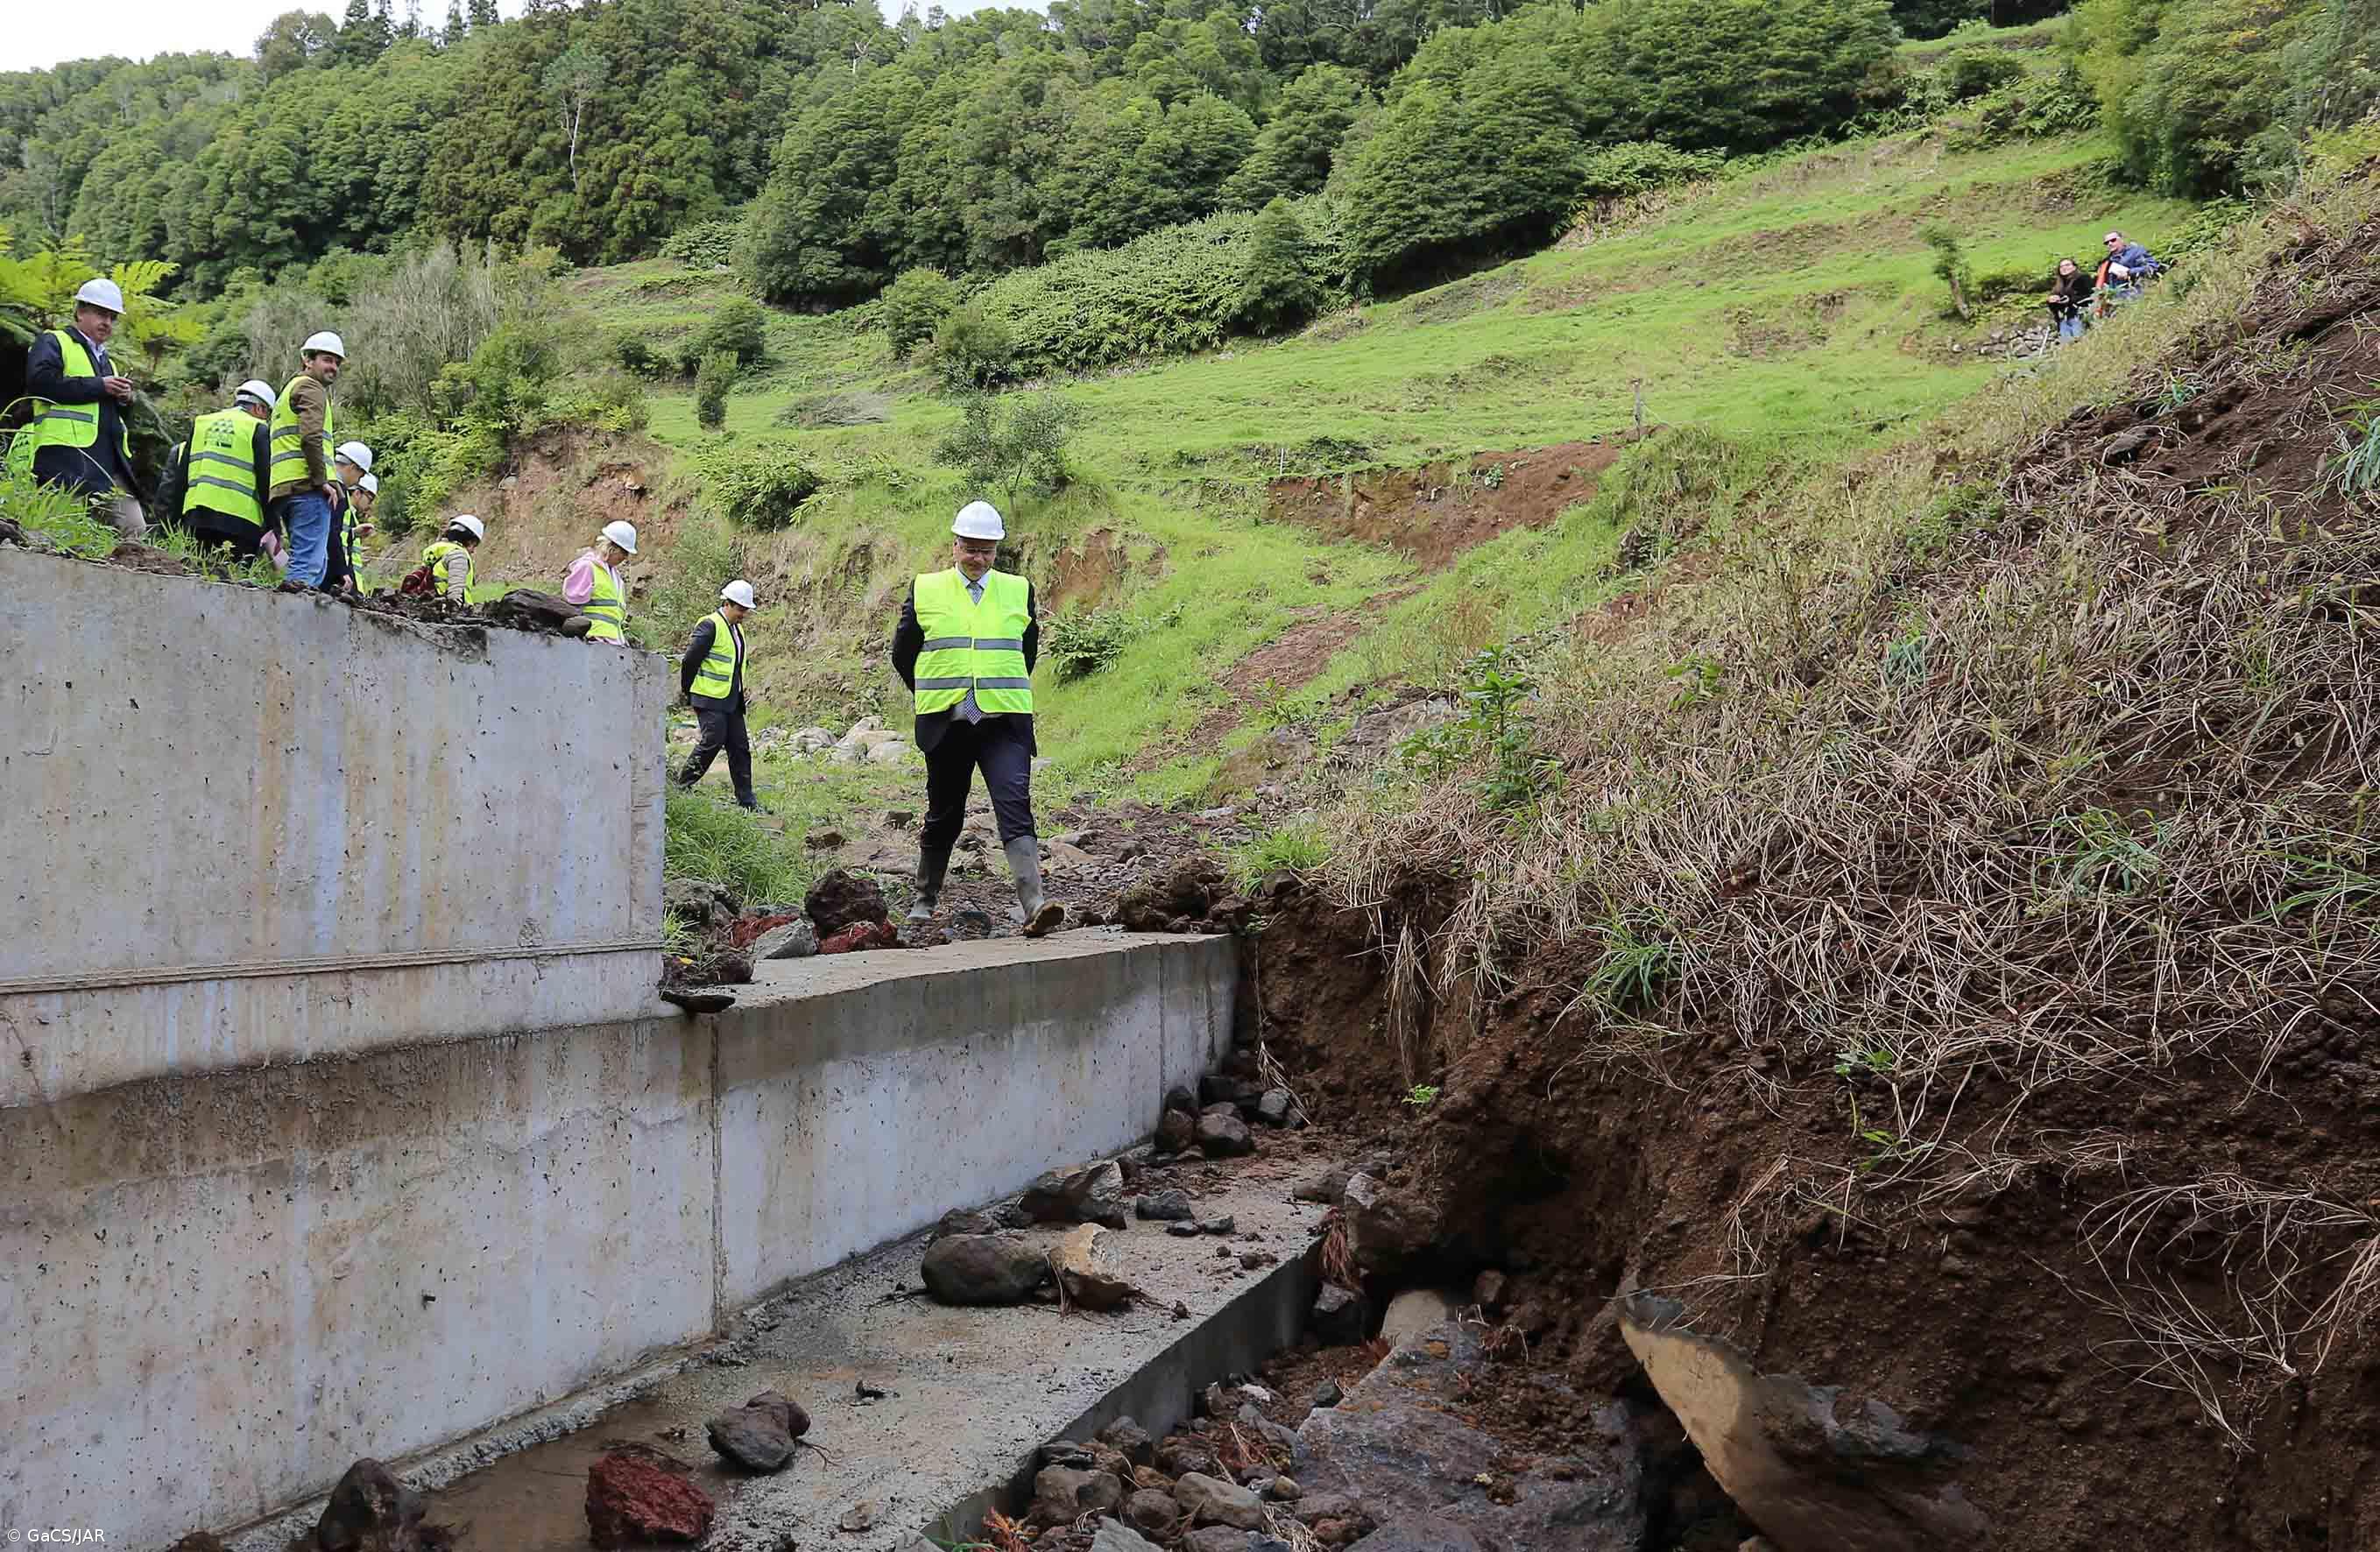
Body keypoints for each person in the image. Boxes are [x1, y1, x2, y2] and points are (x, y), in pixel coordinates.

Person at [889, 500, 1063, 937]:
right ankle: (924, 900)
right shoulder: (926, 588)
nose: (978, 558)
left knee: (1014, 802)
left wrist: (998, 684)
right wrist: (933, 691)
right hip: (947, 722)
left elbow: (1027, 651)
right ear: (955, 546)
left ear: (996, 551)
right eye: (970, 548)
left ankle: (1034, 904)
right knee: (944, 812)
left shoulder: (1018, 589)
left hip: (1003, 721)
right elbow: (903, 653)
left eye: (986, 551)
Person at [12, 277, 150, 538]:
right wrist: (101, 386)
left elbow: (108, 411)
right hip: (65, 457)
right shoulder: (54, 341)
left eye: (112, 317)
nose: (107, 323)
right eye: (100, 314)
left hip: (108, 460)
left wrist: (124, 399)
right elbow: (41, 383)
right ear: (80, 311)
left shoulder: (108, 361)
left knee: (134, 530)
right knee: (62, 531)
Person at [152, 378, 278, 558]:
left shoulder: (202, 423)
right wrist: (273, 525)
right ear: (260, 409)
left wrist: (174, 521)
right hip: (241, 524)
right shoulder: (257, 428)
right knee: (233, 579)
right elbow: (266, 482)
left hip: (196, 518)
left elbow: (182, 476)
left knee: (197, 573)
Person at [268, 331, 347, 589]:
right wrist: (321, 480)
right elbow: (311, 438)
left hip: (286, 486)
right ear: (307, 360)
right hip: (306, 487)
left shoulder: (288, 390)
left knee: (313, 560)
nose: (333, 367)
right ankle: (291, 622)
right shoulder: (311, 388)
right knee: (307, 563)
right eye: (327, 359)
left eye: (337, 362)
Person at [677, 580, 764, 811]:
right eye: (741, 609)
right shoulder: (709, 625)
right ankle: (682, 786)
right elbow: (690, 661)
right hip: (708, 697)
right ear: (727, 604)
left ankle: (747, 802)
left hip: (731, 700)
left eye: (746, 610)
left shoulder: (737, 629)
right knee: (713, 740)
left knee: (740, 748)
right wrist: (687, 690)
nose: (743, 614)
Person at [562, 520, 638, 644]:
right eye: (624, 552)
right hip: (592, 639)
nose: (625, 557)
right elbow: (571, 605)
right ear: (611, 547)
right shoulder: (587, 567)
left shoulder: (617, 579)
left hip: (612, 642)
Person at [323, 440, 373, 592]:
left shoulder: (323, 481)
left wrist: (353, 533)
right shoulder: (337, 492)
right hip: (325, 567)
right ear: (352, 468)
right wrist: (341, 571)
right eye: (361, 475)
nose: (358, 481)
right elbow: (331, 532)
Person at [420, 514, 484, 603]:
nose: (473, 551)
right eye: (474, 545)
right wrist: (455, 611)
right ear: (469, 540)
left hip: (432, 605)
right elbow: (455, 592)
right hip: (450, 612)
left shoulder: (436, 552)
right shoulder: (458, 555)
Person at [2094, 230, 2160, 309]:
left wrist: (2129, 272)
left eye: (2113, 240)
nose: (2110, 244)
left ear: (2121, 239)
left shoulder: (2136, 251)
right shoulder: (2107, 262)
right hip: (2116, 303)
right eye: (2107, 243)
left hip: (2137, 297)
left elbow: (2152, 267)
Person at [2045, 258, 2094, 343]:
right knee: (2067, 346)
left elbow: (2090, 296)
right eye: (2061, 267)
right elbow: (2055, 309)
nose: (2064, 268)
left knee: (2080, 342)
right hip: (2064, 319)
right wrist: (2051, 301)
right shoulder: (2059, 285)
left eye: (2067, 265)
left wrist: (2070, 300)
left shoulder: (2083, 278)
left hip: (2079, 316)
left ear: (2074, 267)